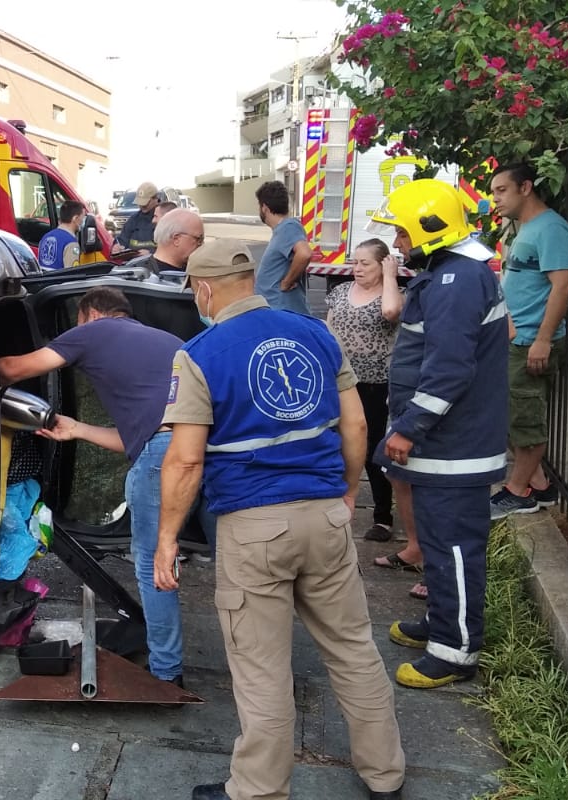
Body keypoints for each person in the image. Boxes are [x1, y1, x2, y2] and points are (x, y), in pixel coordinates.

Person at [154, 237, 406, 800]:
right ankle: (385, 775)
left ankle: (259, 790)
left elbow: (186, 459)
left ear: (203, 288)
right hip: (326, 517)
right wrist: (344, 496)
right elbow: (357, 428)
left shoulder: (198, 354)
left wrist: (167, 538)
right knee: (354, 650)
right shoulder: (317, 333)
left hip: (253, 527)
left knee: (262, 669)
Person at [0, 287, 190, 685]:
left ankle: (167, 673)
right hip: (200, 449)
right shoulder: (171, 342)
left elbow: (13, 370)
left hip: (163, 458)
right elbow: (138, 437)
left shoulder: (96, 331)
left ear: (90, 314)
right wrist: (77, 429)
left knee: (154, 563)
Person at [368, 179, 509, 690]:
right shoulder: (450, 275)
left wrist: (409, 427)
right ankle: (443, 624)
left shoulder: (456, 282)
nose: (398, 243)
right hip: (446, 446)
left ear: (431, 229)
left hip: (453, 446)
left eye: (403, 232)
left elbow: (448, 369)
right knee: (439, 542)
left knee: (451, 549)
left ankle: (455, 653)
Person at [487, 162, 568, 518]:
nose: (496, 199)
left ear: (525, 188)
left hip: (530, 342)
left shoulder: (551, 228)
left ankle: (518, 490)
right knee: (511, 414)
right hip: (514, 336)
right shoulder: (522, 228)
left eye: (501, 190)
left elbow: (563, 285)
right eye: (493, 192)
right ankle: (538, 485)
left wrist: (543, 340)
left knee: (526, 418)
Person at [324, 239, 404, 543]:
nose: (357, 269)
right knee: (335, 443)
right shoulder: (340, 293)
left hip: (376, 385)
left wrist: (390, 277)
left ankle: (382, 517)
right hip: (342, 383)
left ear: (383, 264)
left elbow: (390, 311)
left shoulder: (394, 294)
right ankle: (334, 506)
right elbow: (328, 333)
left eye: (365, 263)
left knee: (372, 450)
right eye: (355, 262)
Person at [256, 180, 313, 315]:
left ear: (264, 207)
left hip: (283, 311)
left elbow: (305, 253)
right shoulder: (282, 229)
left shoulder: (288, 227)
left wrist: (287, 282)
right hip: (276, 311)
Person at [124, 208, 204, 276]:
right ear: (176, 239)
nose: (201, 245)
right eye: (198, 239)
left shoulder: (197, 271)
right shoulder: (136, 276)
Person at [114, 181, 162, 255]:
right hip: (133, 264)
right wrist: (117, 247)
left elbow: (172, 249)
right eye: (140, 202)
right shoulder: (133, 220)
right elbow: (122, 240)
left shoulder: (165, 219)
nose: (142, 206)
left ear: (156, 199)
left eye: (146, 202)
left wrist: (151, 254)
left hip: (156, 265)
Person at [37, 200, 85, 270]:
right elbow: (72, 274)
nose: (83, 221)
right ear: (75, 218)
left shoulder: (45, 237)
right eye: (82, 218)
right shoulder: (71, 242)